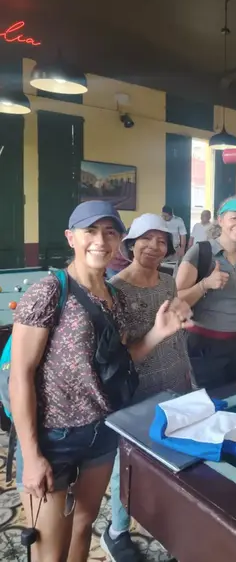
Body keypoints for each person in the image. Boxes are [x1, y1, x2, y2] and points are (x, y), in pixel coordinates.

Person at [9, 201, 192, 562]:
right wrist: (31, 455)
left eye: (110, 232)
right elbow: (21, 376)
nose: (100, 240)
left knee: (83, 525)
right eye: (90, 231)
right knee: (49, 550)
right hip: (54, 437)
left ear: (119, 240)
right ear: (71, 237)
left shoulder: (115, 297)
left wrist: (158, 333)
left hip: (101, 431)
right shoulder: (49, 292)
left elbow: (120, 363)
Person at [101, 213, 193, 562]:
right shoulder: (116, 290)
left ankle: (164, 520)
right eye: (146, 239)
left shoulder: (168, 282)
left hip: (177, 383)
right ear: (131, 244)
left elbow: (176, 332)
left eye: (162, 240)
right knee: (127, 464)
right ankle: (116, 531)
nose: (154, 246)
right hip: (138, 393)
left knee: (170, 458)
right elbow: (119, 355)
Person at [176, 197, 236, 389]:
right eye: (234, 218)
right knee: (210, 401)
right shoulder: (201, 252)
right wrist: (204, 285)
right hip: (203, 348)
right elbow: (175, 301)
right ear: (220, 220)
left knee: (235, 398)